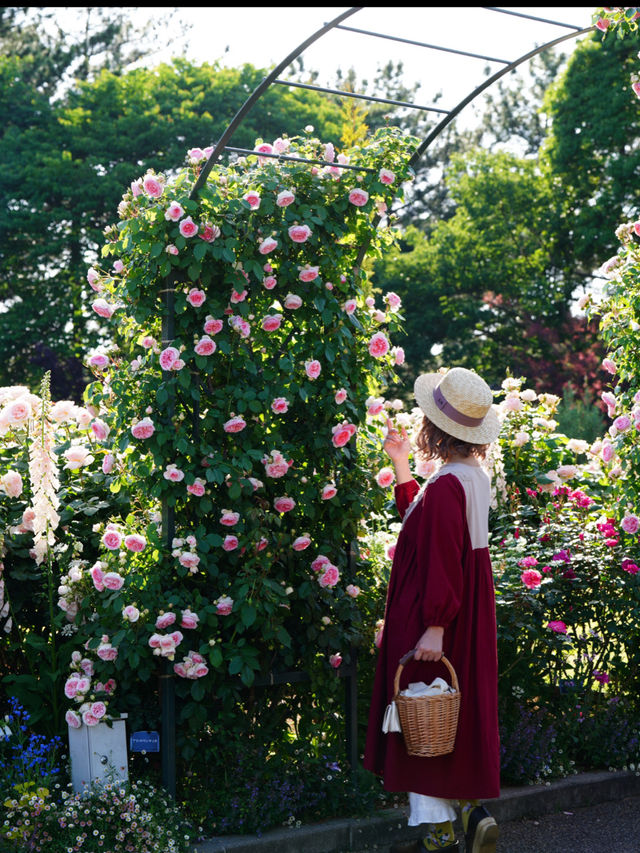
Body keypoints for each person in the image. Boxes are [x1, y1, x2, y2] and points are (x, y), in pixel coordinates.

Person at [363, 367, 502, 853]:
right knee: (448, 709)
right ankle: (467, 808)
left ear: (436, 429)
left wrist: (435, 625)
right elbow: (423, 526)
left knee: (422, 711)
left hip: (435, 616)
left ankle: (443, 829)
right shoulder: (469, 478)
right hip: (462, 612)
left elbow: (440, 554)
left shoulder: (446, 485)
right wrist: (401, 464)